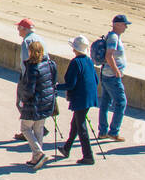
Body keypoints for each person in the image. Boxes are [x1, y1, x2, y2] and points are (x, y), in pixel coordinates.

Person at [55, 36, 97, 164]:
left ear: (74, 49)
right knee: (76, 123)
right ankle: (66, 148)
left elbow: (71, 84)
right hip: (89, 97)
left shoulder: (75, 62)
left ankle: (88, 156)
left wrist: (56, 87)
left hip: (81, 98)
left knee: (81, 126)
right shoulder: (89, 60)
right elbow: (95, 79)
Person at [18, 40, 57, 169]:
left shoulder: (32, 68)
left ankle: (38, 153)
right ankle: (36, 158)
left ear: (30, 52)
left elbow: (29, 90)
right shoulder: (50, 64)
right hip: (47, 102)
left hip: (34, 104)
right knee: (38, 129)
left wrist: (22, 100)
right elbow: (53, 83)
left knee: (25, 128)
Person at [98, 14, 130, 142]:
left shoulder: (113, 36)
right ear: (116, 24)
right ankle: (114, 131)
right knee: (121, 103)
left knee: (105, 102)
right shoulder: (113, 38)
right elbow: (109, 55)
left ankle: (103, 131)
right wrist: (117, 71)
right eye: (124, 24)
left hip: (106, 74)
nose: (126, 27)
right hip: (112, 76)